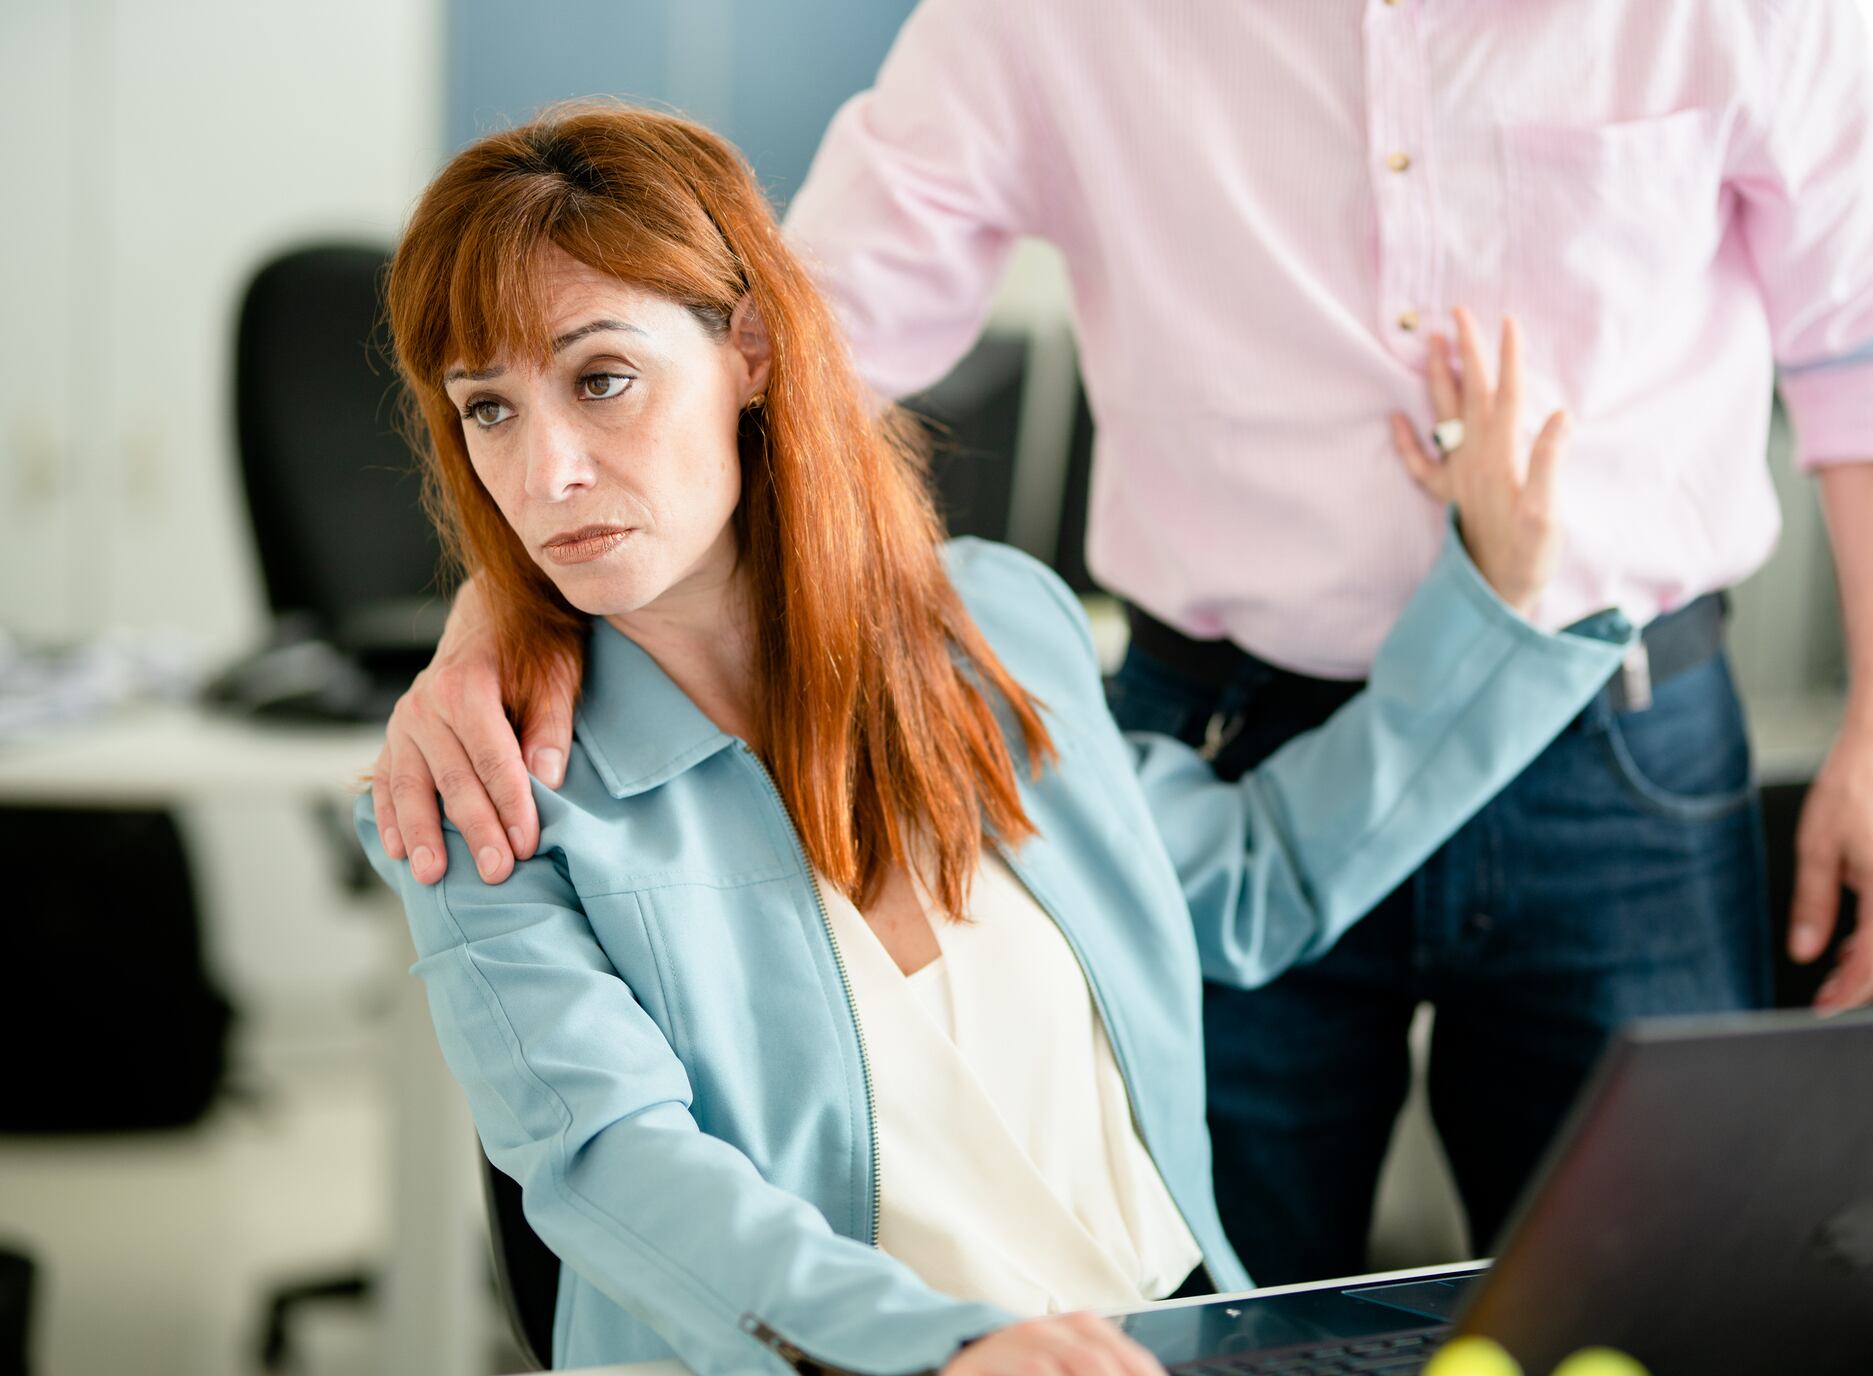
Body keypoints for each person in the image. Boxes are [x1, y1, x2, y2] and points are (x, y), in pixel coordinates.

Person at [371, 1, 1873, 1278]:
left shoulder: (1747, 6)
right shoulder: (1050, 21)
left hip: (1617, 738)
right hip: (1215, 729)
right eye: (487, 418)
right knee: (1239, 1291)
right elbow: (775, 326)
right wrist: (512, 589)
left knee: (1664, 1304)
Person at [362, 105, 1628, 1372]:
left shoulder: (994, 631)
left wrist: (1493, 613)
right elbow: (615, 1163)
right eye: (488, 410)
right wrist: (943, 1347)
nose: (545, 474)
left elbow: (1249, 882)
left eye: (600, 379)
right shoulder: (485, 801)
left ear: (746, 347)